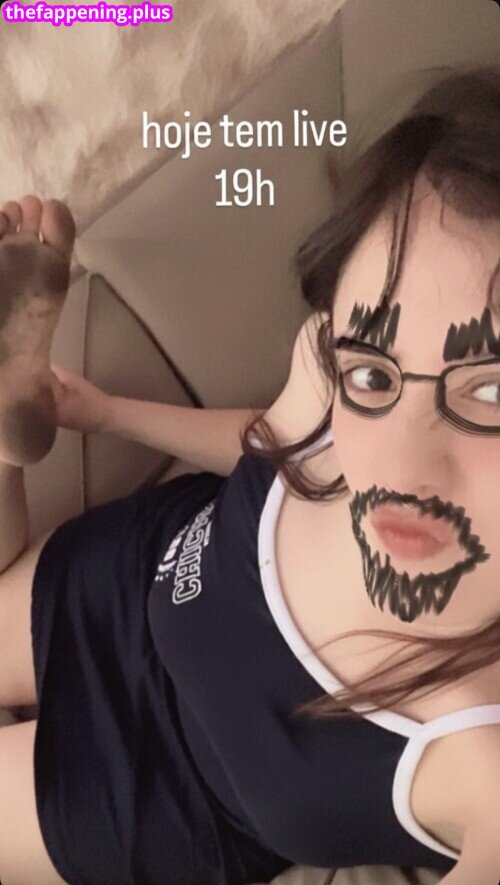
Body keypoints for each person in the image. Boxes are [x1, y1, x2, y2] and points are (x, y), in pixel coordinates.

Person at [0, 65, 499, 885]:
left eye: (491, 390)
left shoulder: (481, 757)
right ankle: (9, 433)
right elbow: (269, 442)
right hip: (147, 570)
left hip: (158, 796)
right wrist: (110, 413)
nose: (394, 465)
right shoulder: (332, 355)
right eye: (374, 373)